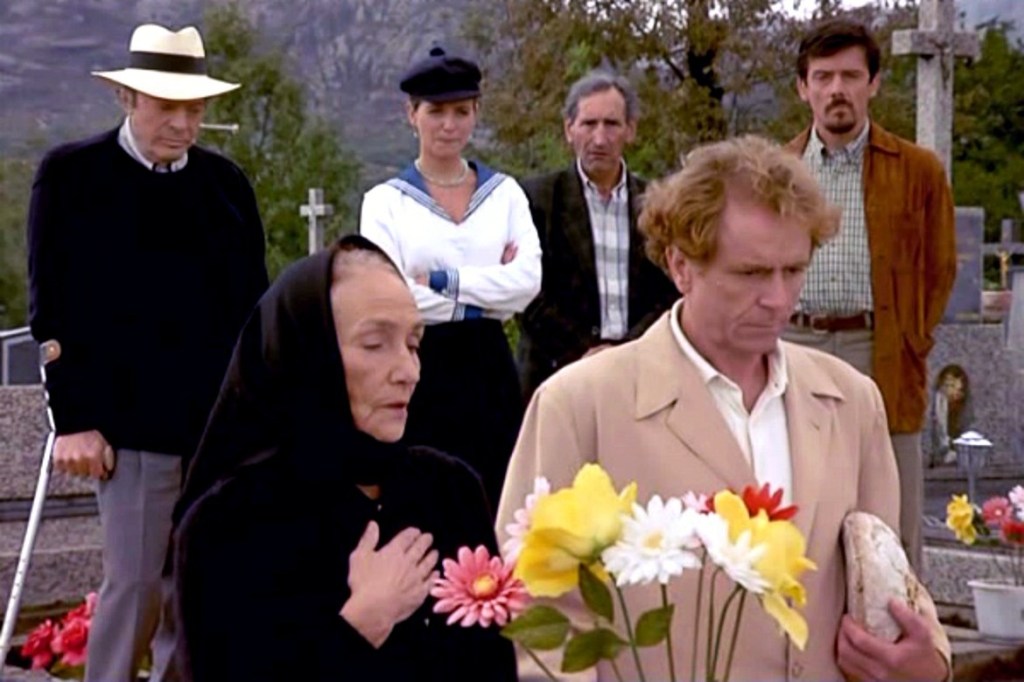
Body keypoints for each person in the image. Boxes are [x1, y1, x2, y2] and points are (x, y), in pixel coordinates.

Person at [496, 136, 951, 681]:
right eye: (751, 274)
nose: (779, 299)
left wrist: (929, 660)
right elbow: (540, 611)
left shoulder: (851, 401)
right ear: (680, 266)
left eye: (793, 270)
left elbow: (887, 577)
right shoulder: (579, 404)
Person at [26, 23, 267, 682]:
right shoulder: (72, 177)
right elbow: (52, 308)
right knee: (134, 588)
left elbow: (254, 311)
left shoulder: (226, 186)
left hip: (216, 429)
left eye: (195, 109)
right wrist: (72, 419)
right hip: (127, 430)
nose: (184, 124)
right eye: (167, 107)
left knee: (201, 588)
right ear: (128, 99)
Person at [172, 236, 516, 681]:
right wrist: (362, 623)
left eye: (414, 344)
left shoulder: (449, 490)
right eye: (375, 344)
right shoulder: (229, 522)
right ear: (307, 351)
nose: (408, 371)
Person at [784, 19, 957, 571]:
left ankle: (901, 619)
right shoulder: (779, 171)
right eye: (823, 77)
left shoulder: (917, 171)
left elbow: (941, 266)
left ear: (874, 83)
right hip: (794, 345)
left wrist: (911, 338)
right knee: (798, 504)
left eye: (850, 76)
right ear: (803, 88)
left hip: (881, 349)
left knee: (891, 517)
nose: (837, 89)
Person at [360, 45, 541, 510]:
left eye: (461, 111)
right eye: (435, 111)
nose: (448, 124)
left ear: (476, 113)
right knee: (427, 499)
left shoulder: (505, 194)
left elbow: (527, 283)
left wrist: (439, 282)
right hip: (420, 366)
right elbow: (391, 299)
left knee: (498, 497)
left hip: (491, 366)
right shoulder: (385, 202)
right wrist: (491, 292)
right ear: (412, 114)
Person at [517, 70, 677, 401]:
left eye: (612, 124)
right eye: (589, 124)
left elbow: (673, 289)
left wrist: (627, 350)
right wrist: (584, 351)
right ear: (569, 129)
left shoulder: (658, 203)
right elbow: (524, 291)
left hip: (639, 374)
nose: (600, 139)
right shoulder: (536, 200)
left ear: (630, 130)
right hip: (556, 375)